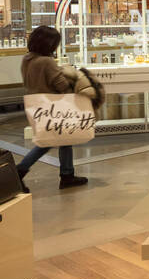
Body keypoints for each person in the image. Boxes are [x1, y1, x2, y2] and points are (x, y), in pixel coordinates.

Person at [17, 25, 95, 190]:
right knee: (46, 143)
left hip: (38, 105)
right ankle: (20, 171)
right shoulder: (46, 61)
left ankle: (67, 174)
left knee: (64, 139)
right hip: (54, 107)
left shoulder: (27, 59)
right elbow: (61, 85)